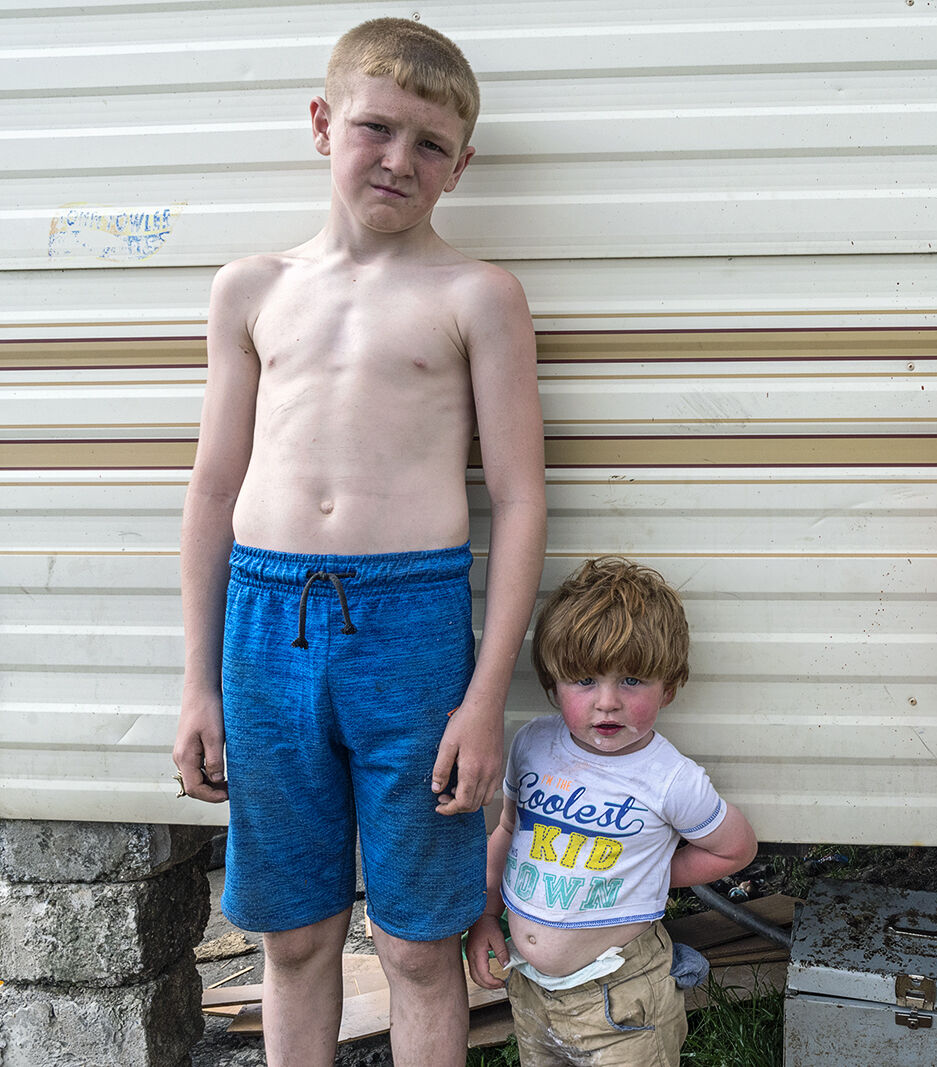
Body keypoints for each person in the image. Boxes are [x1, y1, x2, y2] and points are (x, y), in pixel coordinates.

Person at [170, 18, 545, 1066]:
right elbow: (212, 489)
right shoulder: (251, 288)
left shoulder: (477, 296)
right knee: (293, 933)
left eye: (431, 144)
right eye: (376, 128)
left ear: (461, 166)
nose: (399, 159)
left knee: (420, 942)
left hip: (412, 627)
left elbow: (518, 500)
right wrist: (199, 682)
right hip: (263, 624)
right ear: (323, 123)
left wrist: (482, 698)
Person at [465, 556, 758, 1066]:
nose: (607, 703)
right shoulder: (532, 743)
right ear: (552, 685)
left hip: (621, 994)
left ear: (668, 687)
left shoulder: (669, 777)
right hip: (531, 990)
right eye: (583, 681)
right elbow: (507, 830)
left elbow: (735, 848)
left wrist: (646, 878)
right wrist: (487, 917)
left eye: (631, 681)